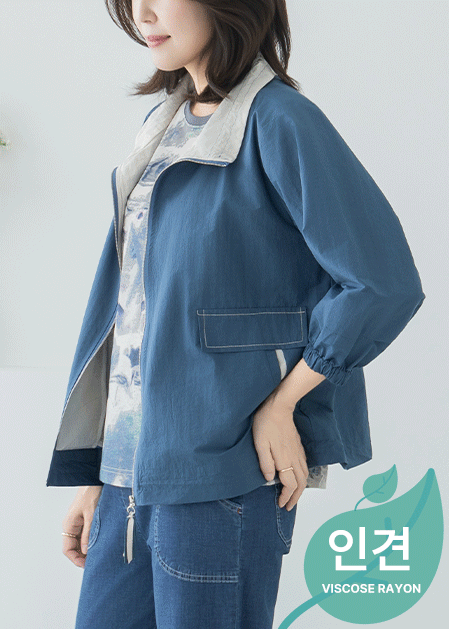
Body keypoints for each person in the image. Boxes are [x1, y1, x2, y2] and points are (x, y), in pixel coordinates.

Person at [46, 1, 425, 627]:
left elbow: (382, 283)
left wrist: (284, 403)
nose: (143, 12)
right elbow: (134, 310)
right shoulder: (164, 123)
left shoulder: (280, 120)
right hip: (130, 480)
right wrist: (101, 473)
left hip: (221, 476)